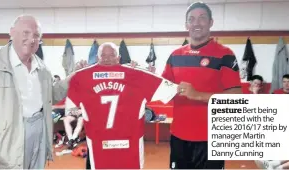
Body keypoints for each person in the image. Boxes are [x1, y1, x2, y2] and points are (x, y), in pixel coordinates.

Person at [0, 15, 68, 169]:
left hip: (39, 131)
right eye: (26, 33)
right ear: (12, 32)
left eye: (36, 35)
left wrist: (73, 78)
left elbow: (50, 96)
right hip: (8, 139)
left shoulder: (42, 68)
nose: (31, 39)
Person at [65, 42, 179, 169]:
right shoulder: (136, 75)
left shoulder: (84, 77)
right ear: (97, 58)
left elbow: (68, 105)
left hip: (107, 145)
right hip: (122, 145)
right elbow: (172, 90)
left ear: (119, 58)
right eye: (104, 56)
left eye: (111, 55)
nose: (107, 59)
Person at [158, 2, 242, 169]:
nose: (196, 23)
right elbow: (162, 88)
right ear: (186, 24)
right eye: (192, 19)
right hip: (179, 136)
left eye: (202, 18)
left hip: (211, 138)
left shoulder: (225, 54)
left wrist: (197, 95)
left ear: (211, 22)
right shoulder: (175, 56)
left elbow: (236, 97)